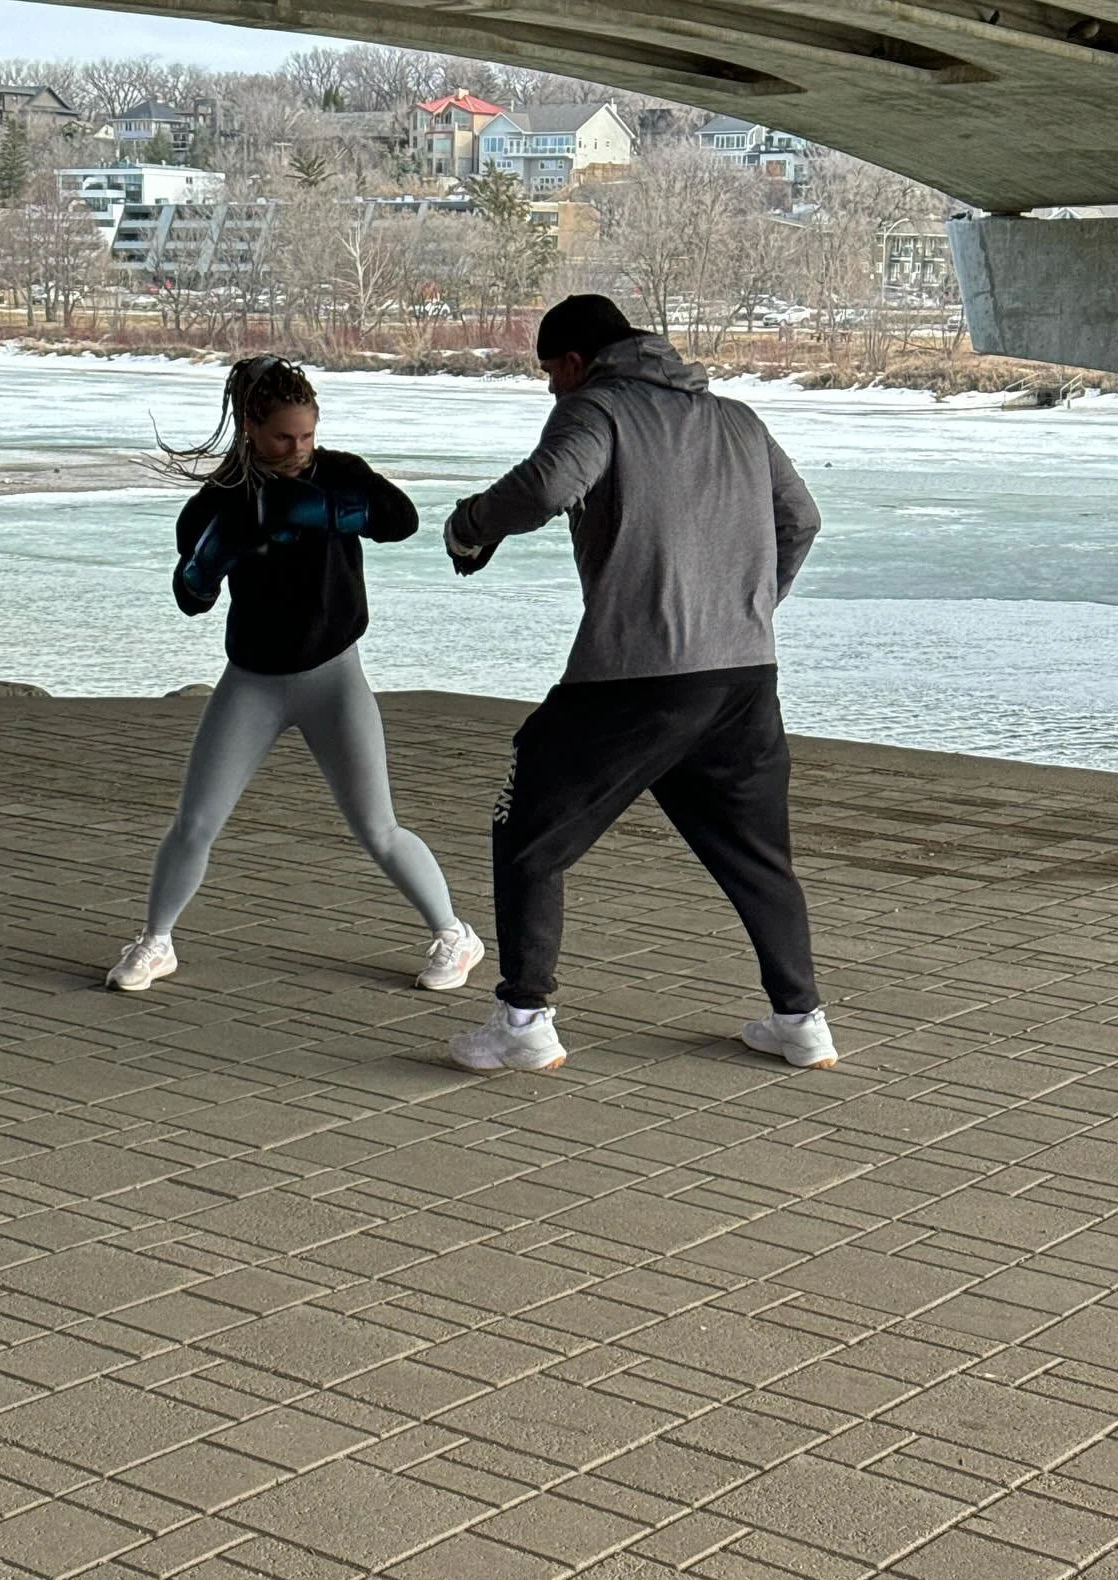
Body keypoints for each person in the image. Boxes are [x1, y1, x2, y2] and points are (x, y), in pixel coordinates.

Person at [443, 295, 833, 1075]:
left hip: (635, 676)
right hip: (742, 678)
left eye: (550, 374)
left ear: (576, 362)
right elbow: (802, 521)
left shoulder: (599, 409)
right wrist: (745, 609)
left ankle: (523, 1020)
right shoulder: (738, 420)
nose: (552, 391)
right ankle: (801, 1021)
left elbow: (552, 484)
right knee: (758, 855)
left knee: (527, 833)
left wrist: (472, 524)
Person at [107, 354, 484, 995]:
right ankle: (156, 941)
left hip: (333, 678)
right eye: (284, 436)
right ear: (250, 428)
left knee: (377, 827)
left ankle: (454, 933)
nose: (299, 448)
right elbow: (189, 599)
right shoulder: (220, 502)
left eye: (307, 434)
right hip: (252, 682)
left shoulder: (337, 472)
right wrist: (212, 557)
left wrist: (327, 510)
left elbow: (403, 521)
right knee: (196, 822)